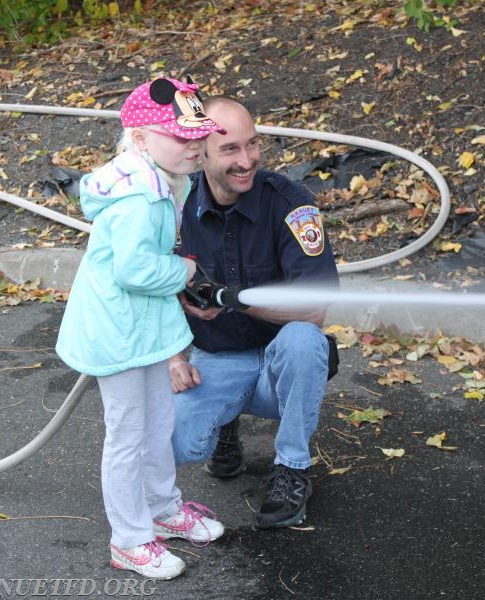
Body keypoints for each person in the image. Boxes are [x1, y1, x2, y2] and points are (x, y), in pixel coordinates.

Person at [55, 77, 227, 580]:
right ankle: (129, 539)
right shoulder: (138, 199)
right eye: (181, 136)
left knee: (158, 423)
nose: (194, 145)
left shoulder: (168, 179)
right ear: (141, 139)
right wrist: (186, 272)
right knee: (129, 435)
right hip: (118, 331)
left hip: (144, 326)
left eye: (198, 136)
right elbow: (135, 271)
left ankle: (162, 508)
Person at [169, 96, 340, 529]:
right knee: (177, 442)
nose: (246, 160)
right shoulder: (172, 207)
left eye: (252, 145)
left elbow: (315, 308)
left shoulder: (291, 204)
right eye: (230, 149)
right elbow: (147, 286)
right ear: (199, 153)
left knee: (306, 338)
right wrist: (173, 356)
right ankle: (225, 425)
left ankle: (293, 468)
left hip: (279, 369)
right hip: (216, 362)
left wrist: (232, 297)